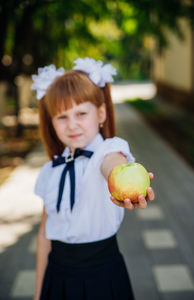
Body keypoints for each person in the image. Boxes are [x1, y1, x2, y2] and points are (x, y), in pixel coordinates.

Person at [32, 58, 154, 300]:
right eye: (61, 117)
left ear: (101, 113)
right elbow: (45, 231)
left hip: (102, 276)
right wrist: (38, 293)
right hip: (57, 275)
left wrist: (126, 183)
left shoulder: (107, 151)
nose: (72, 124)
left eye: (80, 113)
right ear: (51, 122)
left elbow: (113, 164)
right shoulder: (50, 169)